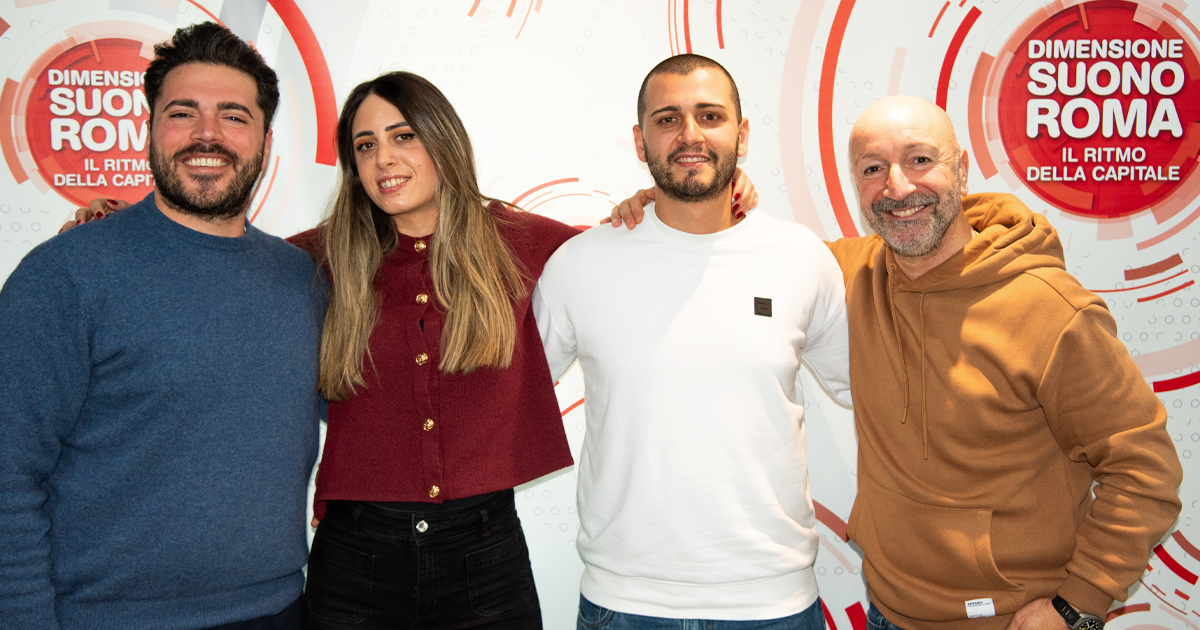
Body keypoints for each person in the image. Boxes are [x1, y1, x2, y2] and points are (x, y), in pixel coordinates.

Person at [610, 95, 1183, 630]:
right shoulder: (845, 274)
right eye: (873, 168)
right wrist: (670, 207)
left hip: (1012, 618)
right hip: (886, 610)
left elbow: (1146, 469)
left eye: (920, 160)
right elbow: (745, 258)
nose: (898, 187)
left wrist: (1077, 604)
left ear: (961, 170)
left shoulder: (1051, 310)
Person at [0, 22, 324, 630]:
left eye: (233, 116)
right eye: (183, 113)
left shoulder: (302, 279)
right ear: (150, 128)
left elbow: (374, 413)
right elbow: (8, 475)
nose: (207, 133)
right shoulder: (63, 275)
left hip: (279, 610)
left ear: (265, 140)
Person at [534, 54, 851, 628]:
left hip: (774, 603)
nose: (690, 135)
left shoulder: (802, 257)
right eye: (667, 119)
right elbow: (508, 395)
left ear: (742, 134)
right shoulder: (582, 263)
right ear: (640, 141)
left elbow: (872, 389)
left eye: (710, 116)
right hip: (624, 604)